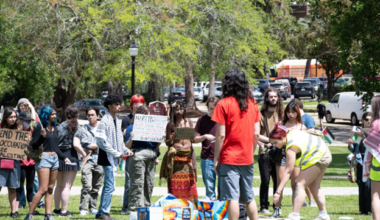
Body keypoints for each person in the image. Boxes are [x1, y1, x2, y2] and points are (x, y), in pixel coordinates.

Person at [212, 68, 260, 220]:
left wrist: (216, 159)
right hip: (247, 157)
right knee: (249, 197)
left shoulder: (223, 104)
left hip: (229, 157)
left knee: (232, 197)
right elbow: (256, 133)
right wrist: (250, 152)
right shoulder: (253, 103)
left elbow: (220, 135)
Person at [269, 125, 332, 220]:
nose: (274, 145)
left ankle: (295, 215)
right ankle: (323, 214)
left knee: (299, 184)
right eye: (272, 143)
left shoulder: (291, 148)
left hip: (319, 156)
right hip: (325, 153)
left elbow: (288, 171)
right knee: (314, 186)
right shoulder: (289, 133)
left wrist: (278, 192)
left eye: (275, 142)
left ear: (282, 138)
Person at [24, 105, 71, 220]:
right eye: (52, 114)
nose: (54, 116)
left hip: (55, 159)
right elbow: (34, 146)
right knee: (43, 189)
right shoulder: (39, 127)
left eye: (55, 114)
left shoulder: (54, 128)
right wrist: (41, 137)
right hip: (44, 158)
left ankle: (48, 215)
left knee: (50, 188)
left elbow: (55, 147)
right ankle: (29, 215)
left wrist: (64, 157)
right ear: (46, 115)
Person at [96, 95, 133, 220]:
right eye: (117, 104)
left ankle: (101, 211)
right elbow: (101, 141)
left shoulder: (117, 119)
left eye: (119, 104)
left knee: (109, 185)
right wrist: (116, 153)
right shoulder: (105, 120)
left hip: (114, 157)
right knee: (110, 185)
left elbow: (119, 141)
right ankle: (104, 213)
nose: (119, 106)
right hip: (107, 157)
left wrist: (126, 150)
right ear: (110, 106)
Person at [53, 105, 90, 217]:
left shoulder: (59, 126)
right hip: (71, 155)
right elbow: (77, 144)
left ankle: (56, 210)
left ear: (66, 114)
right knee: (67, 187)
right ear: (77, 115)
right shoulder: (77, 127)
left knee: (59, 186)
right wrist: (84, 154)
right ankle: (64, 212)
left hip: (59, 156)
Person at [160, 101, 198, 208]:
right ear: (173, 111)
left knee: (189, 184)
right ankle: (175, 207)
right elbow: (167, 142)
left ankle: (191, 207)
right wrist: (171, 138)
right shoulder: (171, 124)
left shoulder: (189, 122)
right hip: (175, 158)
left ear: (184, 110)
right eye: (176, 109)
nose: (179, 111)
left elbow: (193, 139)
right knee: (174, 184)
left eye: (181, 109)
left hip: (187, 156)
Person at [125, 105, 160, 212]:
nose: (147, 118)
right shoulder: (131, 127)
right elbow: (126, 146)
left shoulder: (152, 127)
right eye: (144, 116)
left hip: (151, 155)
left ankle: (146, 207)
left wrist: (159, 138)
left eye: (148, 116)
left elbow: (156, 145)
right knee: (137, 183)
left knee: (149, 183)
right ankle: (134, 209)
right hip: (138, 155)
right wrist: (132, 137)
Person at [257, 88, 284, 215]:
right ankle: (263, 206)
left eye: (275, 96)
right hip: (265, 151)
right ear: (266, 98)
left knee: (277, 180)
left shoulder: (283, 114)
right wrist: (270, 141)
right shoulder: (260, 114)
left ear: (278, 98)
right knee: (265, 180)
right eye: (271, 96)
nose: (273, 98)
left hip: (279, 151)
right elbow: (256, 134)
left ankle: (277, 206)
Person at [121, 94, 145, 215]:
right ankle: (126, 206)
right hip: (131, 152)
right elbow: (125, 133)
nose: (138, 105)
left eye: (140, 103)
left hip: (144, 152)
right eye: (135, 103)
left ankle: (139, 205)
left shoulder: (146, 118)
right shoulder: (126, 119)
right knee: (129, 181)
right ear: (132, 105)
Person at [194, 96, 220, 200]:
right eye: (210, 108)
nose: (213, 111)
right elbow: (195, 139)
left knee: (224, 188)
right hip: (207, 157)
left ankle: (223, 212)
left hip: (223, 158)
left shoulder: (224, 120)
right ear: (207, 108)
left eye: (215, 108)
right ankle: (211, 211)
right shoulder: (202, 120)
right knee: (210, 190)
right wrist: (204, 136)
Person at [79, 107, 104, 216]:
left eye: (92, 115)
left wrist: (94, 146)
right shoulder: (83, 129)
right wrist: (98, 146)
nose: (90, 117)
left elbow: (105, 144)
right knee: (87, 185)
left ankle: (92, 207)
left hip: (100, 160)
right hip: (87, 159)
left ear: (97, 116)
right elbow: (84, 144)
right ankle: (83, 208)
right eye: (88, 115)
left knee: (96, 186)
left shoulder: (102, 128)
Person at [15, 112, 41, 216]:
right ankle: (15, 210)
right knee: (19, 187)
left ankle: (32, 210)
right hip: (20, 163)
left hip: (31, 162)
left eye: (29, 120)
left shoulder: (32, 131)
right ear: (21, 120)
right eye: (26, 120)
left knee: (30, 187)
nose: (28, 122)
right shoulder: (17, 132)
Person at [360, 95, 380, 220]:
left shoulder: (376, 124)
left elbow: (370, 143)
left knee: (376, 196)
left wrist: (363, 135)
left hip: (377, 164)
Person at [347, 112, 372, 215]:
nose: (369, 121)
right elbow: (353, 149)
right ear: (362, 120)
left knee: (369, 186)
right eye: (366, 119)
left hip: (371, 161)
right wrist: (349, 144)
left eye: (371, 119)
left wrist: (364, 136)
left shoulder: (374, 132)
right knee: (361, 185)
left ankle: (371, 209)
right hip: (360, 161)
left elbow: (372, 146)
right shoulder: (357, 131)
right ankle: (363, 210)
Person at [0, 107, 22, 218]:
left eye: (14, 117)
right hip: (1, 163)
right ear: (5, 117)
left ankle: (14, 211)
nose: (13, 119)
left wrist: (24, 141)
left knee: (13, 187)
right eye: (10, 117)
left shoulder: (18, 130)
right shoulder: (0, 129)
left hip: (15, 163)